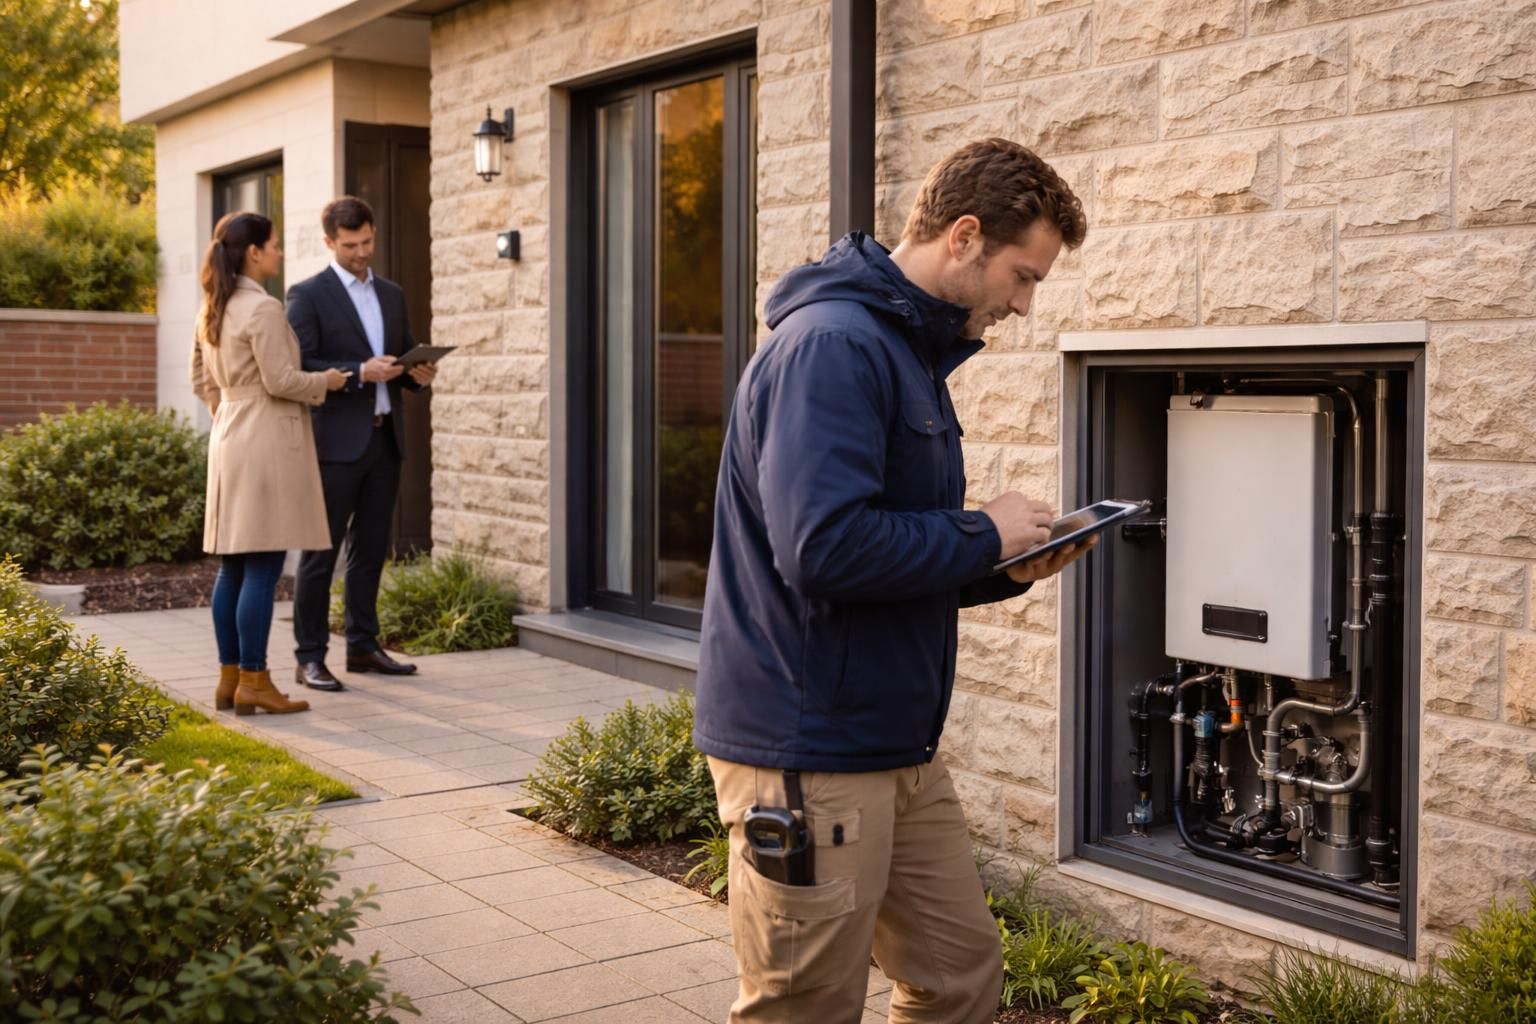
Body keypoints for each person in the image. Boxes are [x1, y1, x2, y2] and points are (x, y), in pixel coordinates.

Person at [694, 138, 1091, 1023]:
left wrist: (1003, 565)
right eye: (1023, 277)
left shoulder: (904, 352)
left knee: (958, 975)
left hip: (892, 746)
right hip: (807, 753)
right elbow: (823, 550)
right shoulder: (833, 348)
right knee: (803, 1007)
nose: (1024, 305)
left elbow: (886, 552)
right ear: (964, 236)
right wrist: (981, 531)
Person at [191, 212, 351, 716]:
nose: (280, 254)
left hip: (230, 437)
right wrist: (327, 381)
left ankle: (231, 679)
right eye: (275, 246)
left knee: (233, 567)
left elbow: (201, 382)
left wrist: (230, 415)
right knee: (261, 565)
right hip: (263, 438)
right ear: (254, 252)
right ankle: (256, 681)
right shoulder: (261, 309)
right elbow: (283, 380)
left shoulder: (210, 308)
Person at [286, 197, 437, 692]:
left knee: (371, 550)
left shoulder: (391, 294)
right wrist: (356, 373)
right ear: (329, 242)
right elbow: (300, 366)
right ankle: (309, 657)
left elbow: (405, 359)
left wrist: (419, 374)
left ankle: (363, 646)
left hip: (384, 440)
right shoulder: (306, 295)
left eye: (367, 241)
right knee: (319, 555)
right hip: (334, 444)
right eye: (350, 245)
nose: (361, 252)